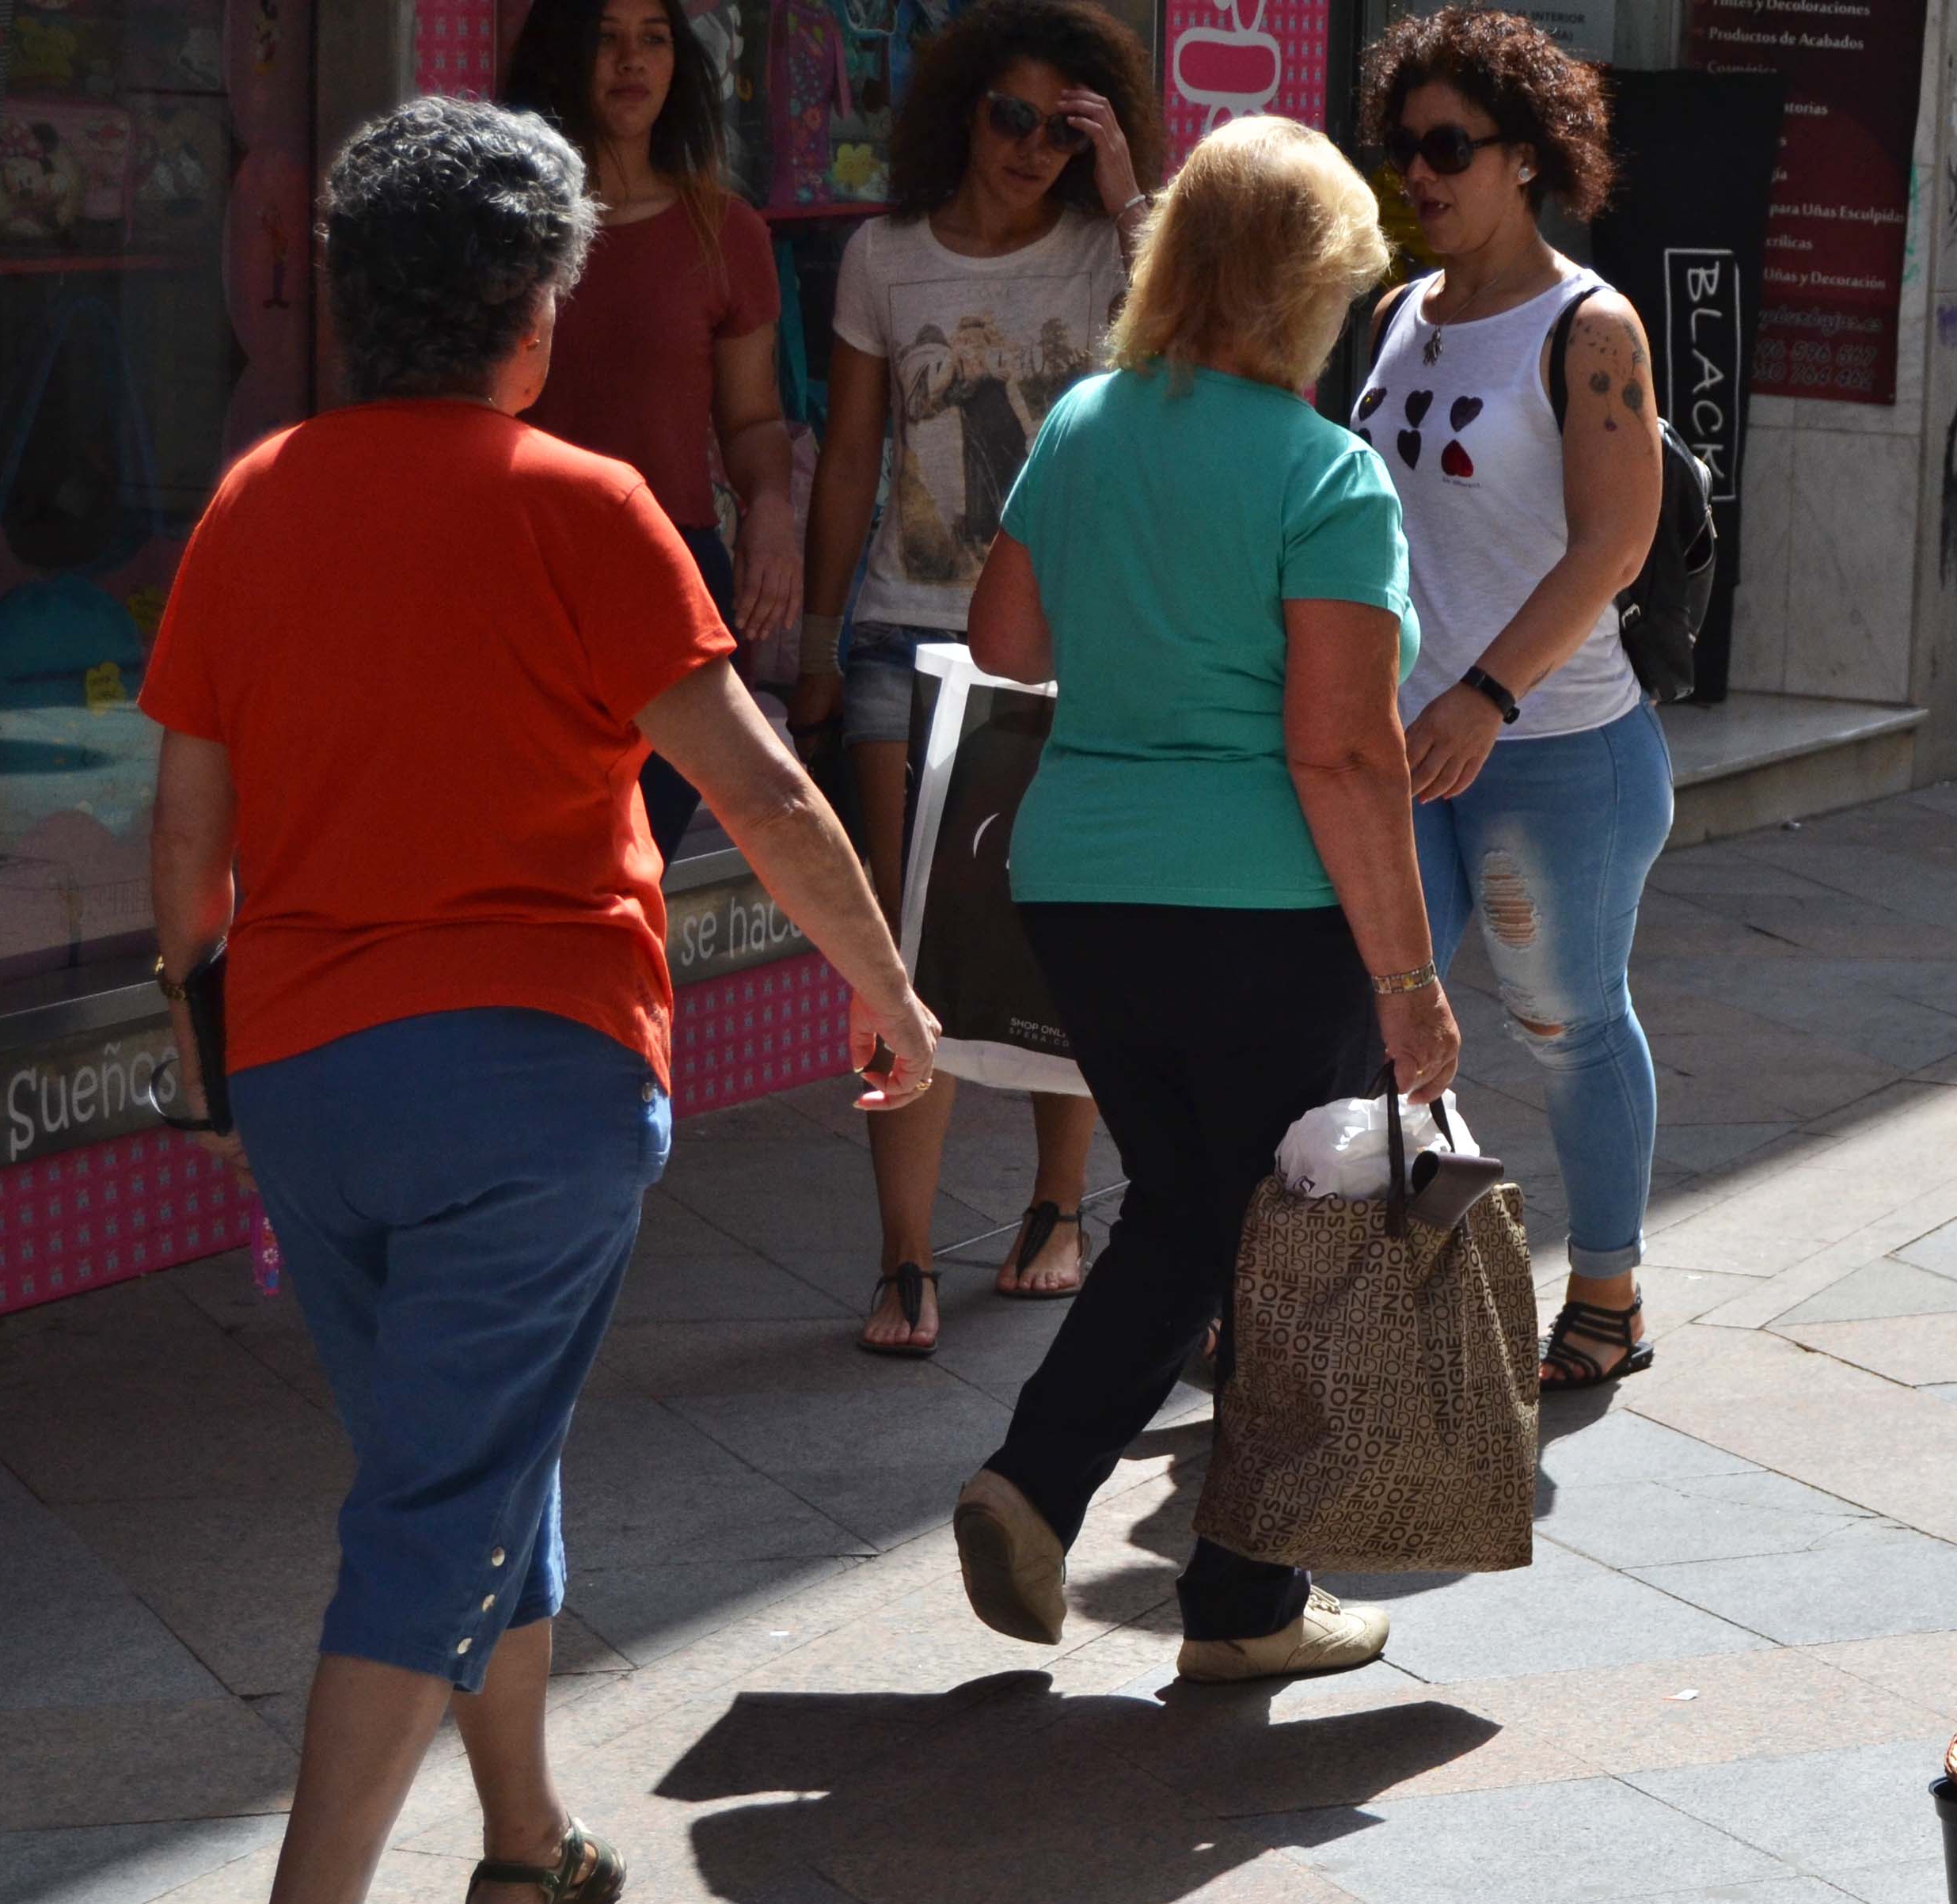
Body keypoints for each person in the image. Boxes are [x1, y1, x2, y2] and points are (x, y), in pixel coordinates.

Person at [142, 99, 937, 1904]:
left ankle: (522, 1847)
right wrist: (894, 998)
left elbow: (184, 869)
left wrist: (206, 1074)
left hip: (311, 1076)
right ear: (538, 304)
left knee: (475, 1440)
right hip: (540, 1074)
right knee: (437, 1493)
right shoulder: (584, 506)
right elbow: (760, 788)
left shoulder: (256, 501)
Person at [945, 112, 1458, 1683]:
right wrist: (1412, 983)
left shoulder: (1088, 424)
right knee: (1291, 1236)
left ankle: (1042, 1490)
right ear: (1309, 290)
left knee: (1189, 1206)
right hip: (1263, 908)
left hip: (1085, 886)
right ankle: (1235, 1600)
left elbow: (1007, 643)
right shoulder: (1326, 478)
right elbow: (1345, 758)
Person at [792, 0, 1150, 1353]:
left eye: (1064, 130)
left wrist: (1124, 190)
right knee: (904, 952)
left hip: (1073, 642)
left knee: (1071, 934)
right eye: (1012, 117)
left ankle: (1058, 1209)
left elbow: (1207, 323)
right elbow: (847, 460)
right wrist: (815, 639)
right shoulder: (885, 258)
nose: (1030, 150)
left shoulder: (1104, 251)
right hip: (903, 630)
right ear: (961, 110)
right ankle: (901, 1259)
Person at [1353, 10, 1670, 1391]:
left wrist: (1484, 693)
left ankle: (1605, 1289)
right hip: (1395, 747)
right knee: (1374, 1012)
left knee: (1563, 1019)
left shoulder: (1588, 324)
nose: (1416, 175)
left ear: (1528, 157)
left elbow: (1614, 542)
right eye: (1399, 147)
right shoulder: (1391, 316)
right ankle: (1399, 1277)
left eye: (1446, 148)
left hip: (1555, 751)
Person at [500, 0, 794, 862]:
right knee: (532, 858)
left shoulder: (725, 230)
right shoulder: (508, 231)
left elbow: (751, 419)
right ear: (563, 54)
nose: (631, 61)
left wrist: (772, 505)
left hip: (671, 580)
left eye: (654, 39)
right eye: (605, 36)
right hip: (524, 580)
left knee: (640, 863)